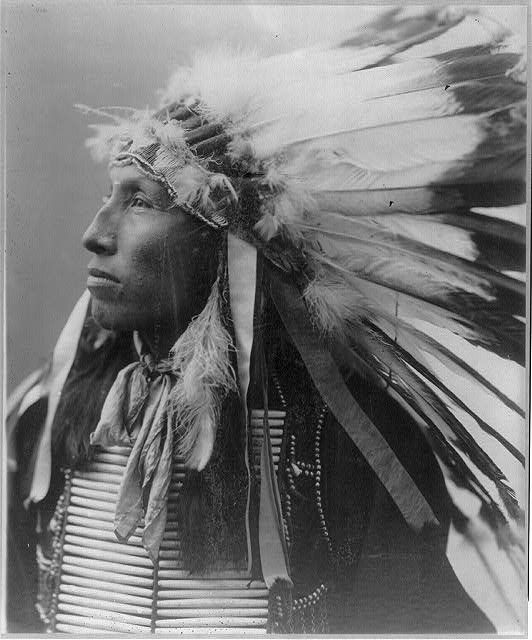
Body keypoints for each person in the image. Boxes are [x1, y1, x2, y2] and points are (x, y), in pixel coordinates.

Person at [6, 7, 527, 635]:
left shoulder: (346, 445)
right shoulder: (45, 418)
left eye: (140, 202)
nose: (94, 235)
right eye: (106, 197)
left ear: (223, 244)